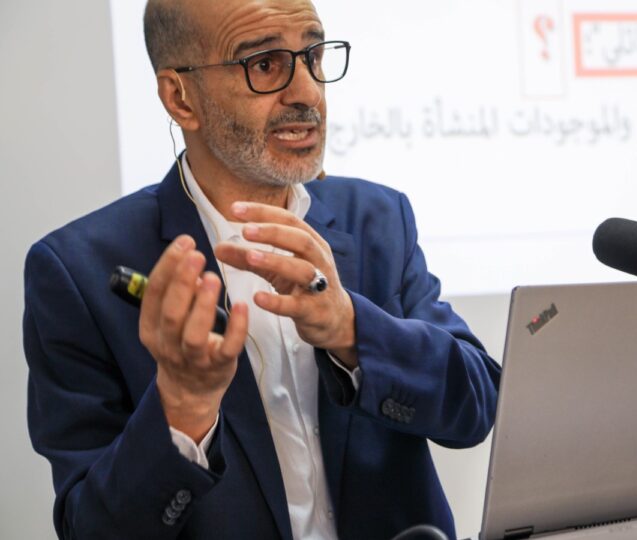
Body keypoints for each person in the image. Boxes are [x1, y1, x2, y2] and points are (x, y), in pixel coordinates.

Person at [22, 0, 501, 538]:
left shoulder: (379, 219)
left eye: (313, 56)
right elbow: (91, 529)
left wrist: (351, 329)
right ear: (180, 98)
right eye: (265, 65)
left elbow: (477, 405)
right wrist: (182, 411)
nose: (307, 92)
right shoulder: (78, 271)